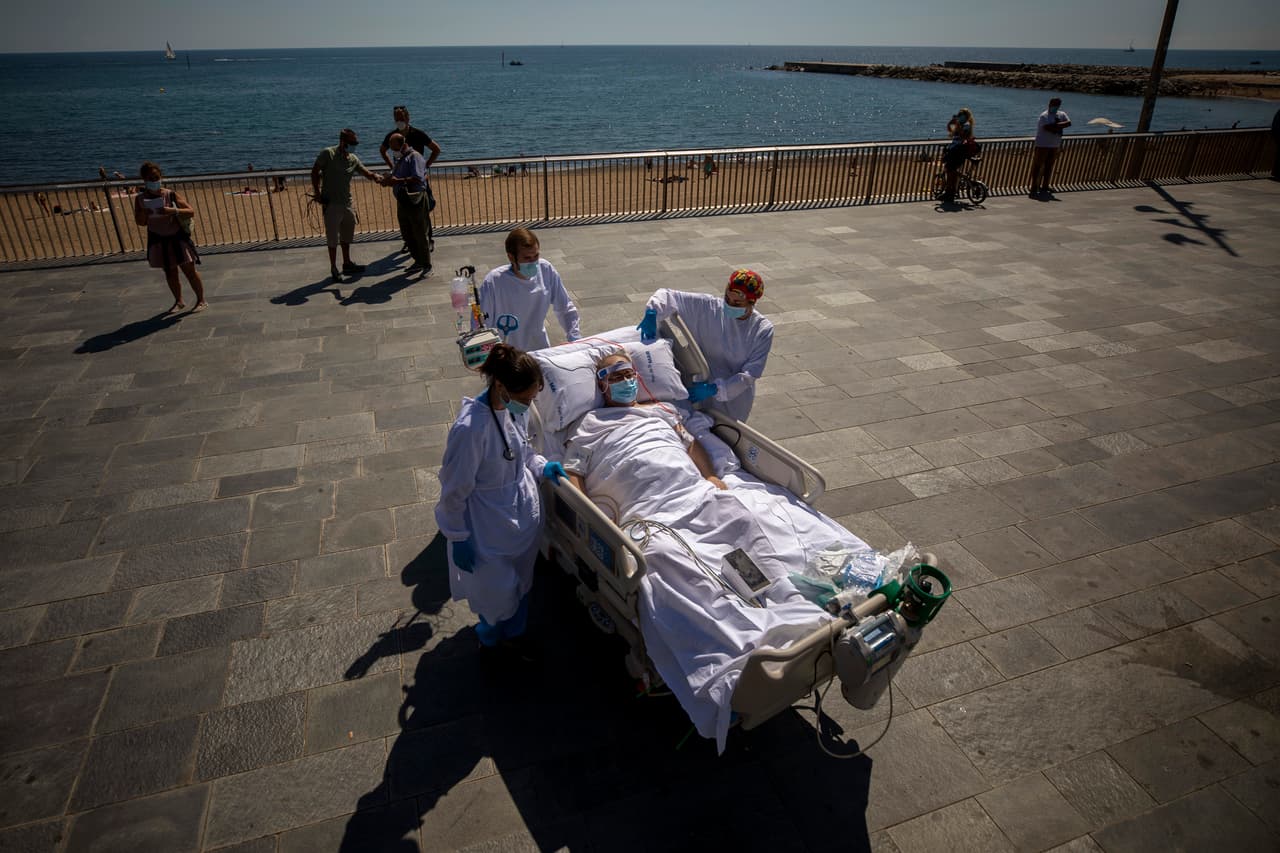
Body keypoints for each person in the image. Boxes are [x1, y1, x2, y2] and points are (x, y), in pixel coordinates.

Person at [435, 344, 566, 654]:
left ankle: (514, 635)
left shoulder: (509, 410)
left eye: (532, 398)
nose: (527, 405)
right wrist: (458, 536)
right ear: (499, 385)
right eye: (523, 399)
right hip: (487, 527)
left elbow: (521, 452)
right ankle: (490, 639)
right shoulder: (470, 430)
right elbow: (453, 490)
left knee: (521, 585)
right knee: (496, 593)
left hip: (519, 518)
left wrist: (541, 466)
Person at [637, 269, 773, 422]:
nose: (729, 304)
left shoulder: (761, 329)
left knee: (728, 433)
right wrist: (652, 312)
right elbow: (667, 295)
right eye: (727, 298)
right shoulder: (709, 308)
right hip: (700, 382)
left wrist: (716, 389)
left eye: (737, 303)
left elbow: (750, 374)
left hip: (734, 395)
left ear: (752, 302)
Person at [478, 227, 581, 352]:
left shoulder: (546, 270)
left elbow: (566, 309)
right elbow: (482, 325)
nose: (533, 262)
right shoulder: (493, 282)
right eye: (527, 258)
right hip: (505, 356)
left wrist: (575, 339)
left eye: (536, 256)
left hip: (539, 351)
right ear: (511, 257)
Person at [132, 161, 206, 313]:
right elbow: (140, 223)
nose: (154, 182)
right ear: (144, 180)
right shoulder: (140, 199)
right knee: (170, 273)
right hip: (159, 240)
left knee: (189, 271)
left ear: (161, 177)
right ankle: (178, 301)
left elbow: (191, 211)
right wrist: (144, 213)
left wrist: (172, 210)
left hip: (177, 238)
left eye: (156, 177)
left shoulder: (170, 194)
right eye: (150, 179)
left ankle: (201, 300)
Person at [310, 128, 381, 283]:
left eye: (356, 143)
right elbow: (314, 172)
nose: (354, 145)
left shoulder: (353, 158)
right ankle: (333, 267)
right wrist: (317, 193)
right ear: (343, 141)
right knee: (332, 237)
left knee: (347, 234)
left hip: (347, 203)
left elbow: (365, 173)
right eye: (352, 142)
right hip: (332, 205)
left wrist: (377, 177)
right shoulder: (327, 153)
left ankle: (347, 263)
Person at [380, 106, 441, 253]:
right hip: (401, 182)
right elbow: (382, 150)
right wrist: (392, 168)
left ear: (408, 118)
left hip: (418, 180)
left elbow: (436, 149)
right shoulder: (392, 136)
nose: (399, 121)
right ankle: (409, 241)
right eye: (396, 119)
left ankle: (429, 239)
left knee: (423, 210)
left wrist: (425, 166)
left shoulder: (418, 134)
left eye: (401, 118)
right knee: (405, 212)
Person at [382, 132, 432, 276]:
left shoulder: (414, 156)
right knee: (407, 232)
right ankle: (418, 261)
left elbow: (418, 178)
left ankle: (426, 264)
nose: (393, 151)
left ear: (403, 145)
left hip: (414, 199)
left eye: (394, 148)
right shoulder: (401, 159)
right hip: (403, 200)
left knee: (419, 232)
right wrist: (388, 180)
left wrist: (396, 181)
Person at [1030, 97, 1072, 196]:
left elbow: (1069, 123)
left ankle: (1045, 185)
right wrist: (1059, 125)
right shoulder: (1044, 116)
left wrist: (1055, 125)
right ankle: (1034, 186)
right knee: (1037, 165)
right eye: (1054, 104)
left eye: (1058, 104)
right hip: (1042, 144)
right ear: (1050, 104)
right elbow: (1047, 127)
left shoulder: (1062, 114)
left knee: (1049, 166)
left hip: (1055, 145)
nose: (1056, 106)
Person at [942, 108, 976, 203]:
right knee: (951, 172)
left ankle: (949, 193)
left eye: (962, 115)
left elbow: (962, 136)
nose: (960, 117)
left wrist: (958, 125)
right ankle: (949, 193)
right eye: (959, 115)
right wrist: (951, 122)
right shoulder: (960, 125)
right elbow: (950, 132)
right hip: (954, 150)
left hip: (959, 152)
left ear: (966, 116)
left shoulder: (967, 126)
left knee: (951, 172)